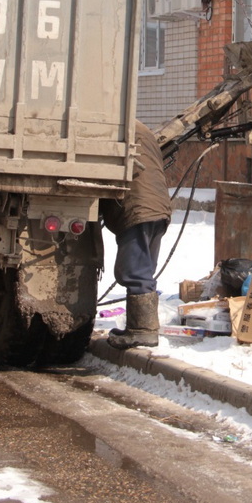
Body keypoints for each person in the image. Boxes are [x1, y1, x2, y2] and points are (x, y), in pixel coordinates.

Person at [101, 121, 172, 349]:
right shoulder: (144, 131)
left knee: (134, 270)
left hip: (138, 207)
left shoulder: (118, 126)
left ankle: (143, 330)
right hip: (157, 207)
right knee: (145, 268)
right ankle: (141, 327)